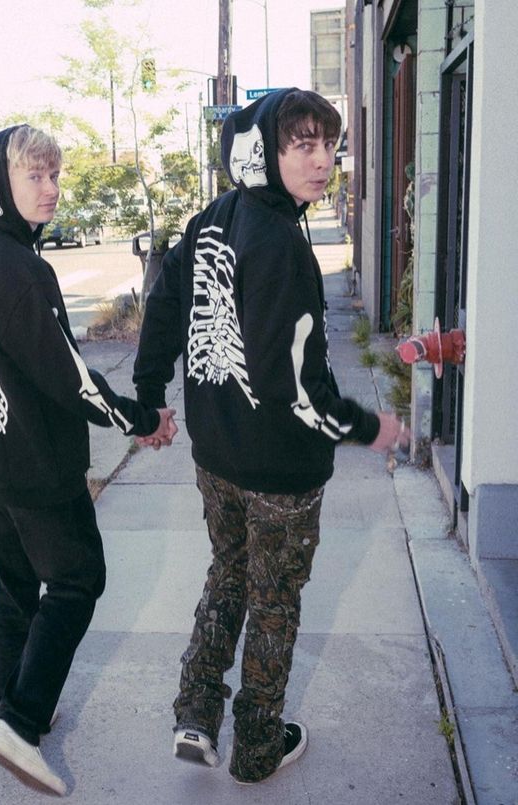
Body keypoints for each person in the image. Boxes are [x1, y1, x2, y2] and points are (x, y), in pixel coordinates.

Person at [132, 88, 409, 785]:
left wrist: (149, 396)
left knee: (228, 572)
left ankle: (196, 710)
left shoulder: (216, 216)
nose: (324, 162)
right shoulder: (281, 242)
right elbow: (297, 389)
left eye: (330, 145)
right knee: (275, 601)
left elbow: (163, 305)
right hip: (278, 468)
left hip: (217, 455)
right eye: (304, 145)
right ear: (265, 151)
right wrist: (371, 426)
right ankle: (257, 746)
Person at [0, 124, 176, 796]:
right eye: (35, 176)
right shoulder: (20, 269)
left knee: (18, 585)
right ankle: (20, 725)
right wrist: (142, 420)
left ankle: (9, 710)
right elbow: (71, 379)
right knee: (79, 578)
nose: (51, 189)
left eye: (55, 175)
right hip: (33, 465)